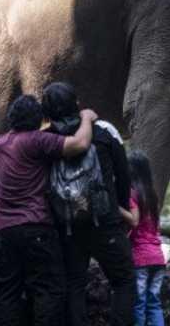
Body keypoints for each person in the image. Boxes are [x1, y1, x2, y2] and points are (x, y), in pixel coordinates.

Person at [0, 94, 96, 326]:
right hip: (36, 226)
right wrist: (86, 118)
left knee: (6, 293)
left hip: (4, 231)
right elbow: (79, 144)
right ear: (38, 119)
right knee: (49, 291)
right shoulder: (37, 141)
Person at [42, 82, 135, 326]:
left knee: (74, 283)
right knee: (124, 280)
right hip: (105, 220)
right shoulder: (104, 131)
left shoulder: (46, 140)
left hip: (68, 224)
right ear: (77, 103)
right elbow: (123, 175)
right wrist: (120, 211)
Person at [123, 151, 166, 326]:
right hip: (158, 257)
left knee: (139, 304)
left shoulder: (132, 194)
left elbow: (134, 220)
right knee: (154, 303)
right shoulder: (152, 196)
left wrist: (115, 207)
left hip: (141, 258)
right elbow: (158, 226)